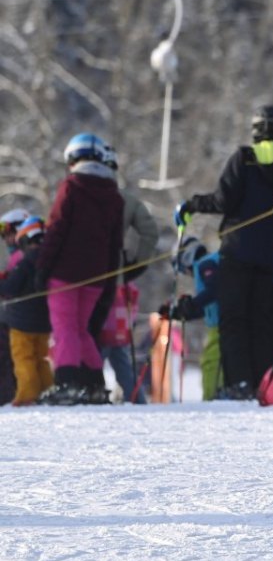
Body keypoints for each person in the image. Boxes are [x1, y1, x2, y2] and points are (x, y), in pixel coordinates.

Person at [176, 105, 273, 400]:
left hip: (237, 251)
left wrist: (192, 205)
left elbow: (223, 200)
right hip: (268, 257)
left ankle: (238, 383)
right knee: (261, 321)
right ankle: (263, 381)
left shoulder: (244, 158)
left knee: (234, 321)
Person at [38, 133, 125, 405]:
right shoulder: (114, 197)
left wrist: (42, 267)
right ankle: (95, 385)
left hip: (64, 273)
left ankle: (68, 384)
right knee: (81, 330)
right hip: (97, 276)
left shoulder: (71, 187)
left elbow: (57, 229)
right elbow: (115, 244)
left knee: (65, 328)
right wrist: (109, 280)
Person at [91, 143, 157, 404]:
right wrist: (135, 264)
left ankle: (93, 393)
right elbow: (149, 232)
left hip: (84, 283)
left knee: (96, 345)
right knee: (117, 346)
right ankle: (136, 399)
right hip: (117, 281)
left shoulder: (79, 197)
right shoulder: (125, 200)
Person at [159, 237, 224, 400]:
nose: (186, 273)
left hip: (221, 325)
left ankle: (211, 397)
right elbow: (207, 306)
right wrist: (179, 312)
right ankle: (216, 393)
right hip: (219, 323)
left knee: (210, 361)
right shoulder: (206, 266)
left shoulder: (205, 264)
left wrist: (191, 304)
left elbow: (214, 292)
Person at [0, 217, 53, 405]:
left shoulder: (25, 263)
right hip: (44, 323)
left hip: (21, 324)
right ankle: (47, 389)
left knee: (23, 358)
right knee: (41, 358)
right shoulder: (49, 262)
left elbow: (10, 288)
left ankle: (27, 394)